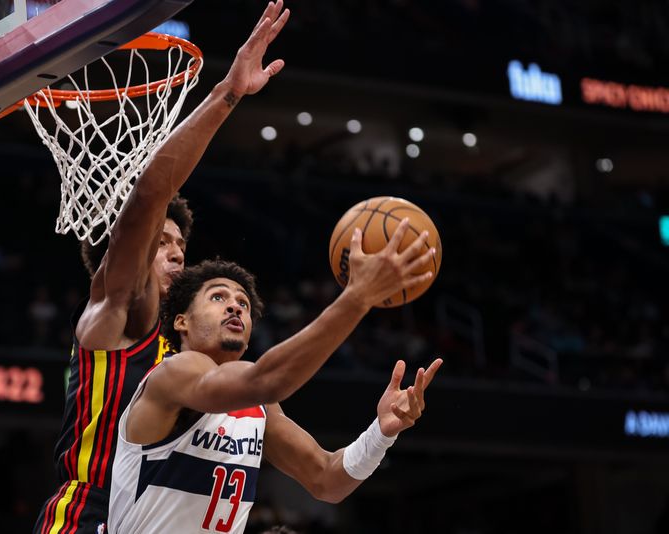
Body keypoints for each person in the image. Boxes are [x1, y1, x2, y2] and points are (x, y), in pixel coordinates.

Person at [33, 3, 292, 533]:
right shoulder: (116, 313)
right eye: (163, 242)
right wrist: (228, 94)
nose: (178, 251)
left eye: (181, 243)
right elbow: (150, 195)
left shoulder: (191, 349)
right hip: (86, 520)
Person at [108, 222, 443, 534]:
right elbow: (266, 380)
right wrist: (358, 297)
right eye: (218, 297)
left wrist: (382, 433)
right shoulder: (172, 374)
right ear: (181, 321)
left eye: (243, 303)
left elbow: (327, 480)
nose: (235, 307)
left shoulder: (259, 406)